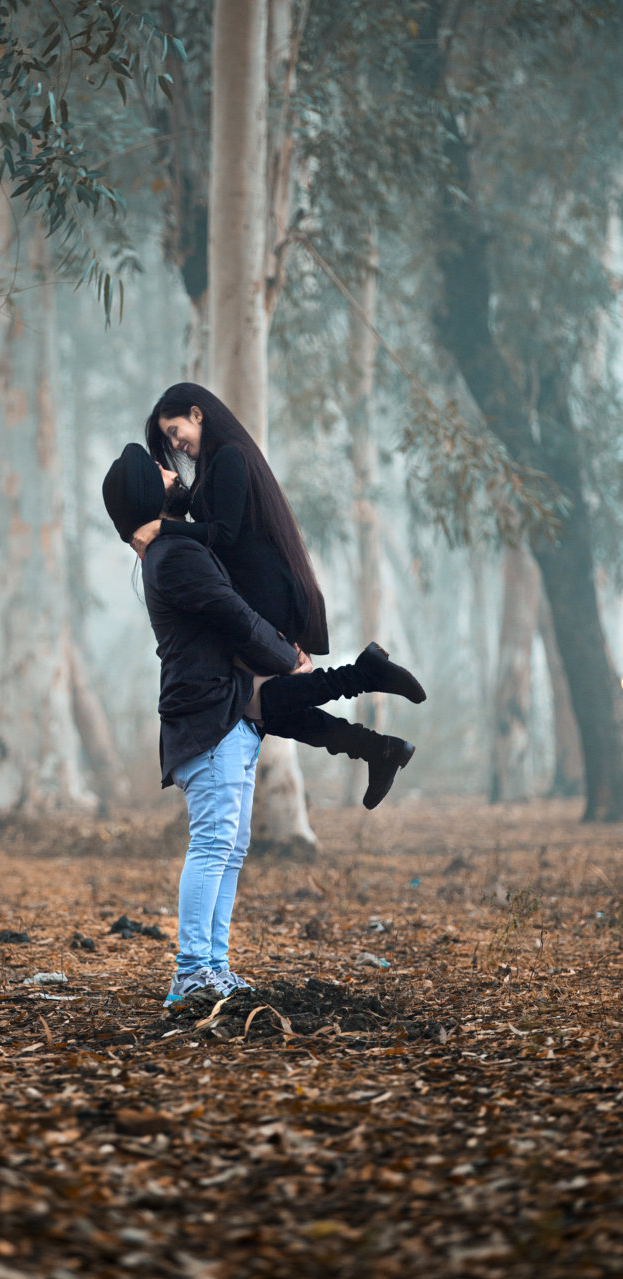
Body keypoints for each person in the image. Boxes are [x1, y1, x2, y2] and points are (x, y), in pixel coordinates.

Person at [102, 444, 426, 1007]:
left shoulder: (176, 548)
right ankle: (191, 974)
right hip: (207, 718)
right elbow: (232, 614)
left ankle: (214, 968)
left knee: (230, 846)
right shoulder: (173, 558)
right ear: (143, 493)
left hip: (225, 711)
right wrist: (287, 656)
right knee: (213, 845)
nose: (169, 470)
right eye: (156, 470)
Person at [137, 381, 425, 793]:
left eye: (175, 431)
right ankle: (376, 746)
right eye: (169, 439)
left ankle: (365, 679)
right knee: (264, 708)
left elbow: (225, 534)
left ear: (197, 414)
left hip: (267, 593)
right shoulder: (211, 469)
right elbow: (196, 515)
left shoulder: (231, 458)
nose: (176, 443)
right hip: (255, 592)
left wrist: (162, 527)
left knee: (262, 704)